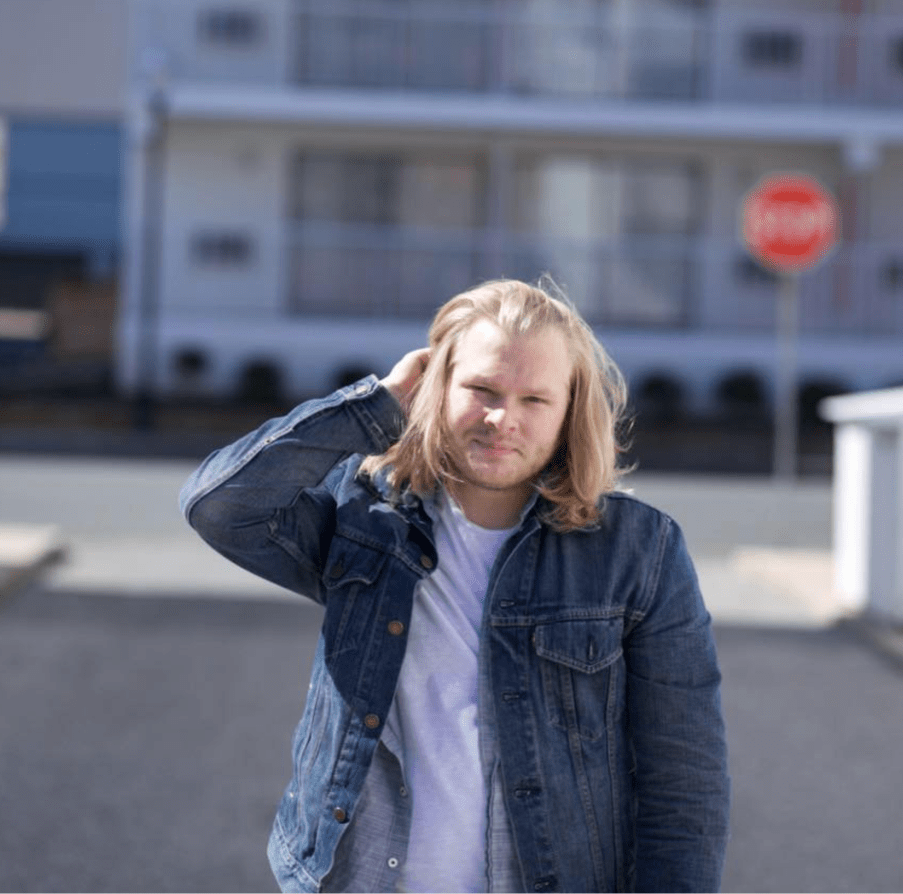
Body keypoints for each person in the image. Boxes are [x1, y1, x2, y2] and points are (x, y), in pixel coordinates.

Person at [180, 278, 730, 893]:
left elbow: (685, 782)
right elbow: (220, 507)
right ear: (437, 383)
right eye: (482, 389)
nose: (502, 419)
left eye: (534, 400)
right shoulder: (363, 515)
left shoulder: (640, 550)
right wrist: (378, 405)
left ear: (570, 411)